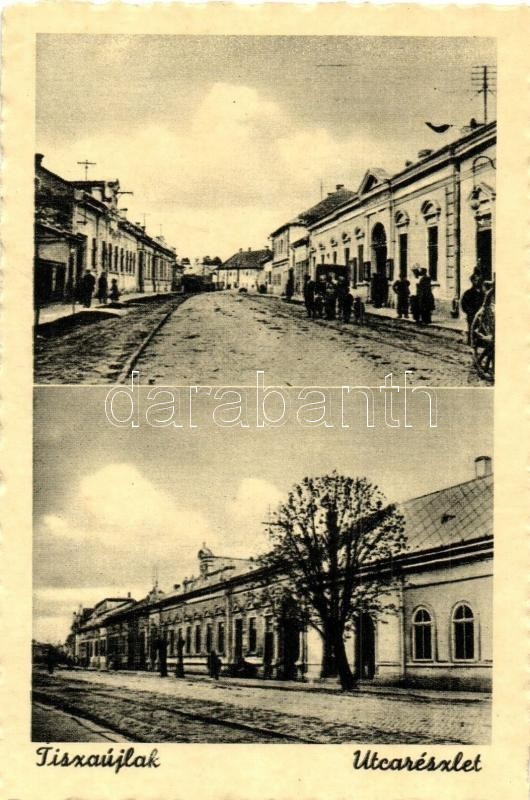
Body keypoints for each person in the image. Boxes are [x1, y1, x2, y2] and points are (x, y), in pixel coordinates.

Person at [461, 272, 485, 345]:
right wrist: (470, 312)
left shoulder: (483, 293)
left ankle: (480, 342)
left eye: (480, 281)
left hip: (481, 314)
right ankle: (472, 342)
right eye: (476, 280)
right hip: (472, 314)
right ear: (473, 281)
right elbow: (463, 304)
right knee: (472, 328)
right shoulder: (468, 293)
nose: (479, 282)